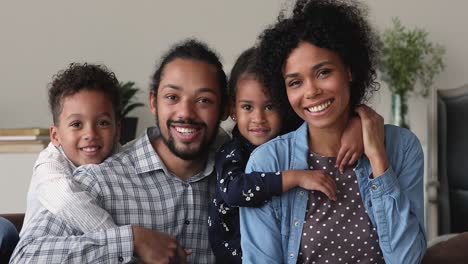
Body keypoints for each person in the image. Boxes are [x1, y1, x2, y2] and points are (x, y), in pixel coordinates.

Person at [10, 39, 229, 264]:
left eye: (204, 100)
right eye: (172, 97)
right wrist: (129, 240)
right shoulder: (93, 181)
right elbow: (25, 258)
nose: (186, 112)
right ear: (153, 102)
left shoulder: (237, 176)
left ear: (224, 109)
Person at [240, 1, 426, 263]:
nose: (311, 91)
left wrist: (378, 158)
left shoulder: (402, 148)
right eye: (295, 82)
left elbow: (407, 259)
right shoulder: (268, 163)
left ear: (349, 70)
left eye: (324, 72)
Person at [208, 47, 364, 263]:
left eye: (270, 106)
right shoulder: (232, 151)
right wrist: (296, 177)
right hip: (236, 253)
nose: (258, 118)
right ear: (233, 110)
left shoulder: (290, 139)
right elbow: (235, 191)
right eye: (247, 107)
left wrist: (357, 121)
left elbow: (328, 115)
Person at [21, 63, 121, 237]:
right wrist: (126, 241)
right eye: (76, 124)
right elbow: (66, 200)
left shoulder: (118, 155)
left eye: (103, 123)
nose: (90, 134)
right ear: (55, 135)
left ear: (117, 130)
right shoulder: (49, 165)